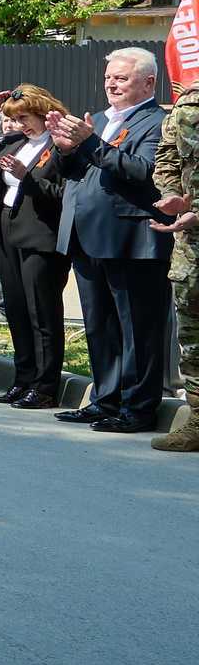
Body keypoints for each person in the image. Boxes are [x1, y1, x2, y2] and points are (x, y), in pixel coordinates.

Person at [50, 47, 172, 435]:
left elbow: (144, 172)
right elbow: (73, 172)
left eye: (121, 77)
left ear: (148, 82)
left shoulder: (159, 122)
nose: (111, 84)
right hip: (87, 235)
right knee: (99, 326)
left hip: (132, 238)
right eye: (108, 78)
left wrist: (89, 144)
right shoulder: (98, 120)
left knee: (138, 329)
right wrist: (66, 150)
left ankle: (137, 408)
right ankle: (105, 400)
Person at [0, 85, 68, 410]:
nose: (20, 125)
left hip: (41, 236)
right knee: (15, 309)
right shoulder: (16, 142)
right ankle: (23, 378)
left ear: (43, 111)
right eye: (13, 119)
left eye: (24, 118)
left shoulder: (60, 144)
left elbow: (62, 194)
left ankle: (45, 385)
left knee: (41, 311)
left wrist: (27, 178)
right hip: (7, 230)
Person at [147, 74, 199, 450]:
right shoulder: (190, 99)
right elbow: (166, 153)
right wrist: (171, 194)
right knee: (193, 334)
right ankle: (197, 420)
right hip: (190, 245)